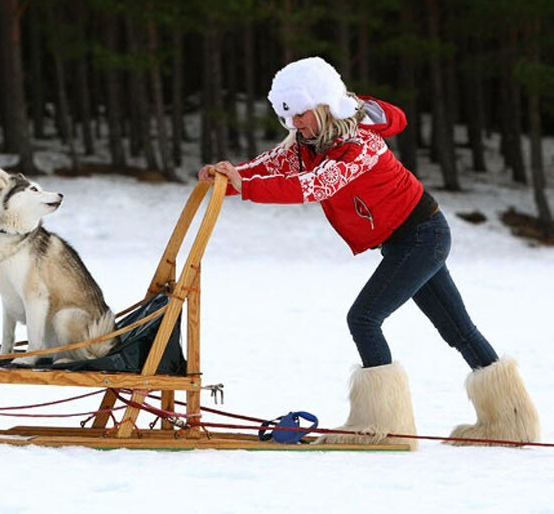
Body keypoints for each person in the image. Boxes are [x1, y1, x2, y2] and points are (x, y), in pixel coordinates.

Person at [199, 56, 539, 449]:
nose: (295, 125)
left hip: (423, 235)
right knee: (457, 329)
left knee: (364, 318)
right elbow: (270, 163)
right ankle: (510, 422)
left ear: (324, 106)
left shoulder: (361, 143)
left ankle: (382, 425)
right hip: (404, 241)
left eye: (302, 115)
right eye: (288, 117)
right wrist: (230, 173)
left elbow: (315, 186)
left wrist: (246, 187)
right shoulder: (308, 144)